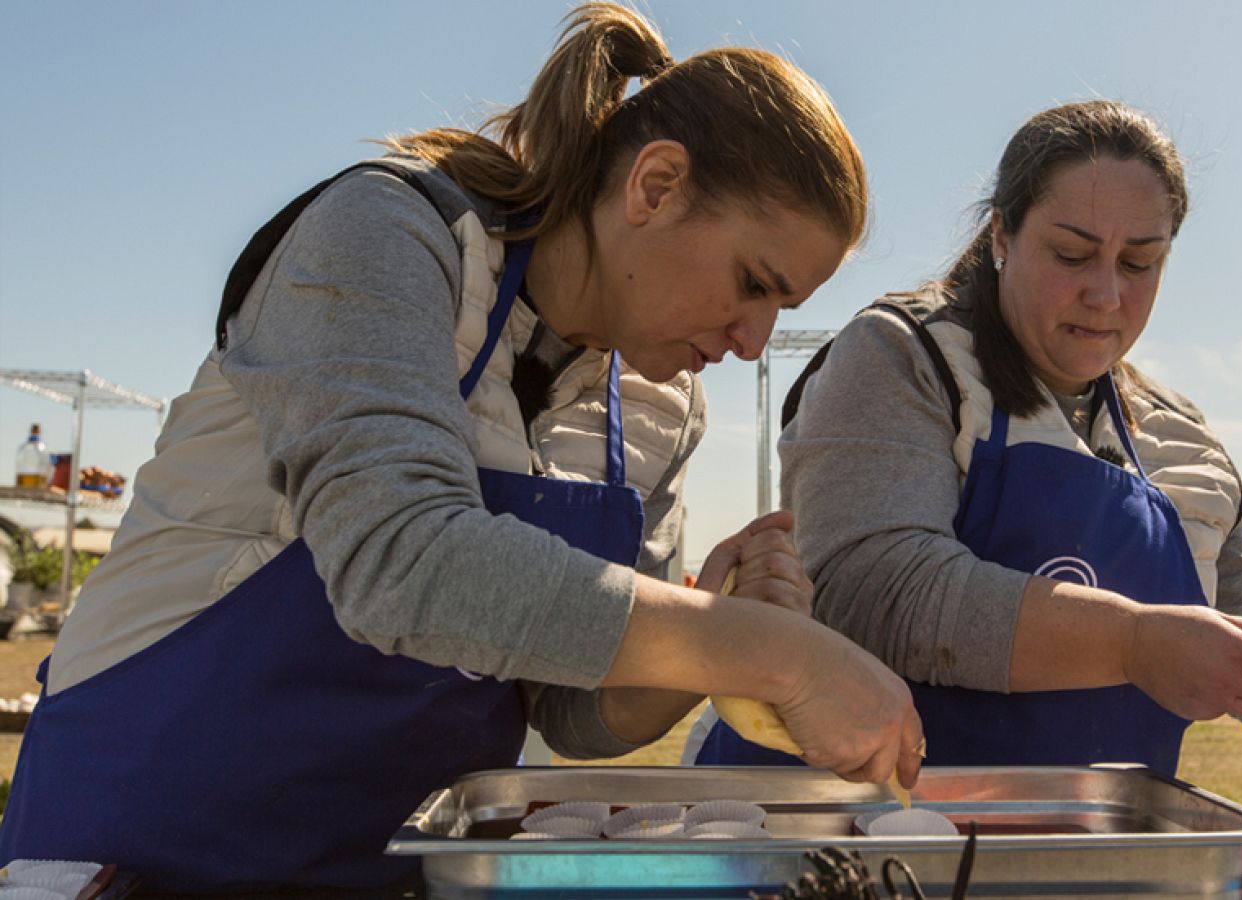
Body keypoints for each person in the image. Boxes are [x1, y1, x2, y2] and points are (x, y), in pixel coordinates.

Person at [0, 4, 922, 891]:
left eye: (781, 309)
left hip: (403, 864)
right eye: (752, 283)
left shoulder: (660, 411)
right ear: (655, 185)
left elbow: (570, 710)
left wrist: (703, 637)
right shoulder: (393, 238)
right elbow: (400, 560)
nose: (754, 340)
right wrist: (767, 651)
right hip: (146, 846)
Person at [692, 100, 1242, 774]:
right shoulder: (904, 361)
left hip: (1068, 849)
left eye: (1140, 264)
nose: (1106, 294)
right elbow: (880, 589)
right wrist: (1135, 643)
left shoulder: (1179, 438)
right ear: (1001, 236)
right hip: (855, 842)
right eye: (1071, 253)